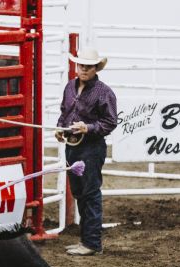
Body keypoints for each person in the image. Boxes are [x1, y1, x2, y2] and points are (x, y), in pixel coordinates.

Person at [56, 47, 117, 256]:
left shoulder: (104, 92)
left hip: (91, 148)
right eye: (81, 65)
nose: (83, 69)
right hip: (72, 146)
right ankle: (87, 240)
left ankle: (92, 243)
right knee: (80, 192)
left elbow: (110, 122)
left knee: (90, 193)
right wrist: (60, 128)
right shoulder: (69, 88)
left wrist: (88, 128)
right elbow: (65, 112)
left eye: (88, 66)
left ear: (95, 68)